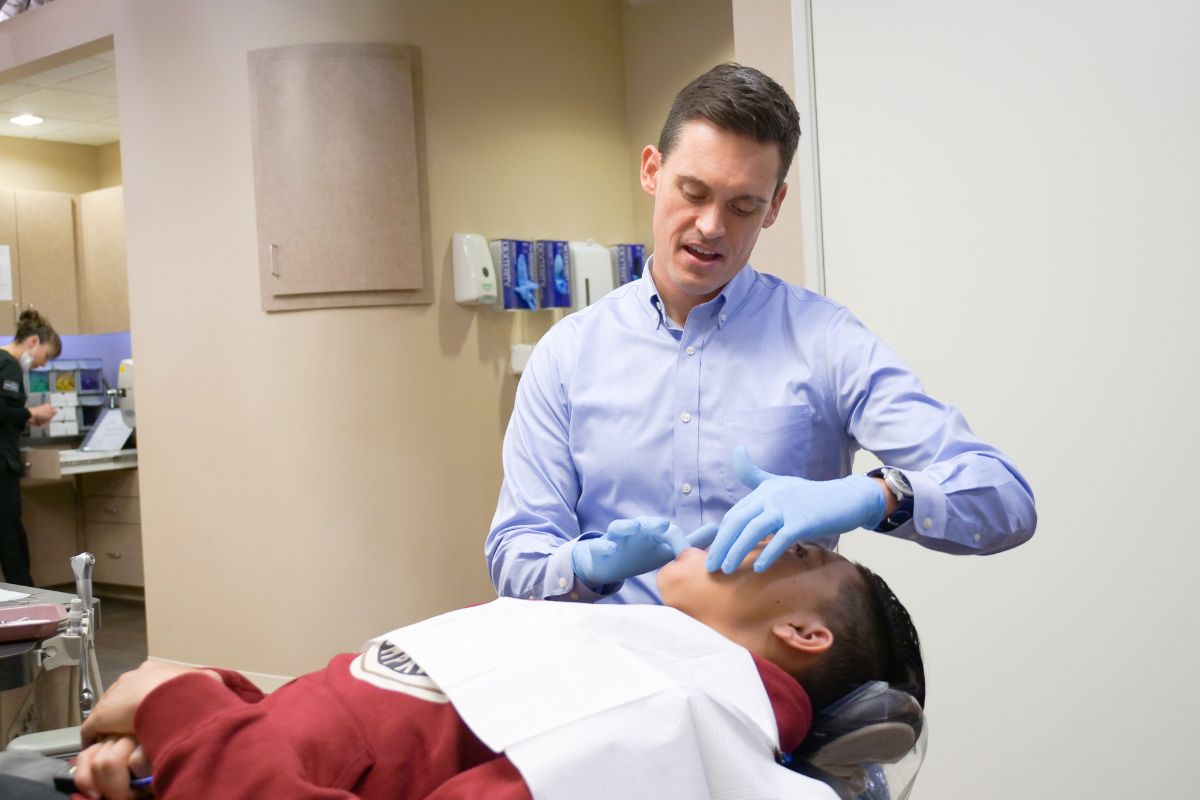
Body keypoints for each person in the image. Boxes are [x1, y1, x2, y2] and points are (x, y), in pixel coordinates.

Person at [486, 63, 1037, 605]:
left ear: (774, 206)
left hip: (772, 681)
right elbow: (516, 553)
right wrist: (586, 566)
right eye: (693, 192)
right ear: (652, 170)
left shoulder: (826, 343)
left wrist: (875, 495)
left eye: (743, 205)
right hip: (616, 676)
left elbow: (1004, 500)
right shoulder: (569, 353)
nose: (711, 227)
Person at [10, 540, 922, 800]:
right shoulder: (642, 659)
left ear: (804, 634)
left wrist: (180, 706)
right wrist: (219, 717)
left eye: (795, 546)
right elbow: (397, 729)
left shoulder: (663, 723)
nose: (746, 520)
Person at [0, 310, 60, 587]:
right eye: (45, 356)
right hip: (2, 466)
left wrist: (26, 415)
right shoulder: (8, 365)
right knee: (11, 540)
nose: (41, 364)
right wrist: (30, 412)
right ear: (33, 341)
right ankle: (29, 605)